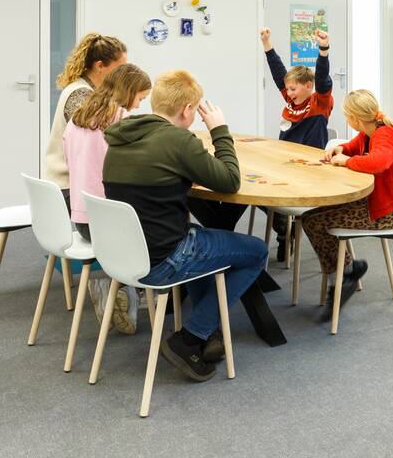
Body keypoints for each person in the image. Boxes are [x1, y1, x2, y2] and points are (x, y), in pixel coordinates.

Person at [102, 70, 268, 381]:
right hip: (164, 260)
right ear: (188, 110)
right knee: (256, 251)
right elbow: (230, 181)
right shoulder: (179, 141)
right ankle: (191, 336)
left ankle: (208, 332)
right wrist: (219, 130)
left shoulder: (120, 136)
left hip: (123, 257)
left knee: (198, 238)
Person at [188, 26, 334, 261]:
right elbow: (278, 73)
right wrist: (267, 45)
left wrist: (323, 49)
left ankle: (281, 230)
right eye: (287, 89)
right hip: (284, 160)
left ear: (308, 86)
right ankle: (281, 226)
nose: (289, 93)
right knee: (253, 188)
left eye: (294, 88)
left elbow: (324, 78)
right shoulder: (292, 100)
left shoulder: (320, 102)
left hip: (308, 165)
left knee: (256, 191)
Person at [301, 90, 393, 321]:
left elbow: (378, 163)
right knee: (312, 217)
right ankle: (347, 271)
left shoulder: (385, 135)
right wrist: (340, 150)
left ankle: (341, 278)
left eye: (346, 115)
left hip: (389, 213)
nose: (346, 119)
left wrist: (348, 161)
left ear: (356, 118)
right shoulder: (368, 132)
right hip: (375, 203)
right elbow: (352, 146)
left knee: (313, 220)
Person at [64, 63, 151, 335]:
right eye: (139, 99)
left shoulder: (77, 118)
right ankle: (125, 287)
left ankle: (128, 288)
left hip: (81, 220)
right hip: (107, 226)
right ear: (129, 93)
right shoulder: (121, 120)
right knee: (166, 224)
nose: (138, 106)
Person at [44, 32, 127, 208]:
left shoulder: (89, 90)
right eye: (119, 69)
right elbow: (100, 140)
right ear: (100, 66)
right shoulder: (81, 94)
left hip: (70, 181)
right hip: (67, 186)